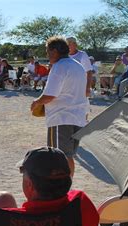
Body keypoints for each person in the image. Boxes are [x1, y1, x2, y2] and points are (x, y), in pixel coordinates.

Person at [31, 36, 87, 177]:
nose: (47, 55)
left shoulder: (59, 66)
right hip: (78, 118)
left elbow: (50, 95)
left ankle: (59, 189)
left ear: (55, 51)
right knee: (68, 156)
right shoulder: (78, 65)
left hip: (61, 118)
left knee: (57, 157)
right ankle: (67, 185)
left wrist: (36, 102)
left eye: (48, 51)